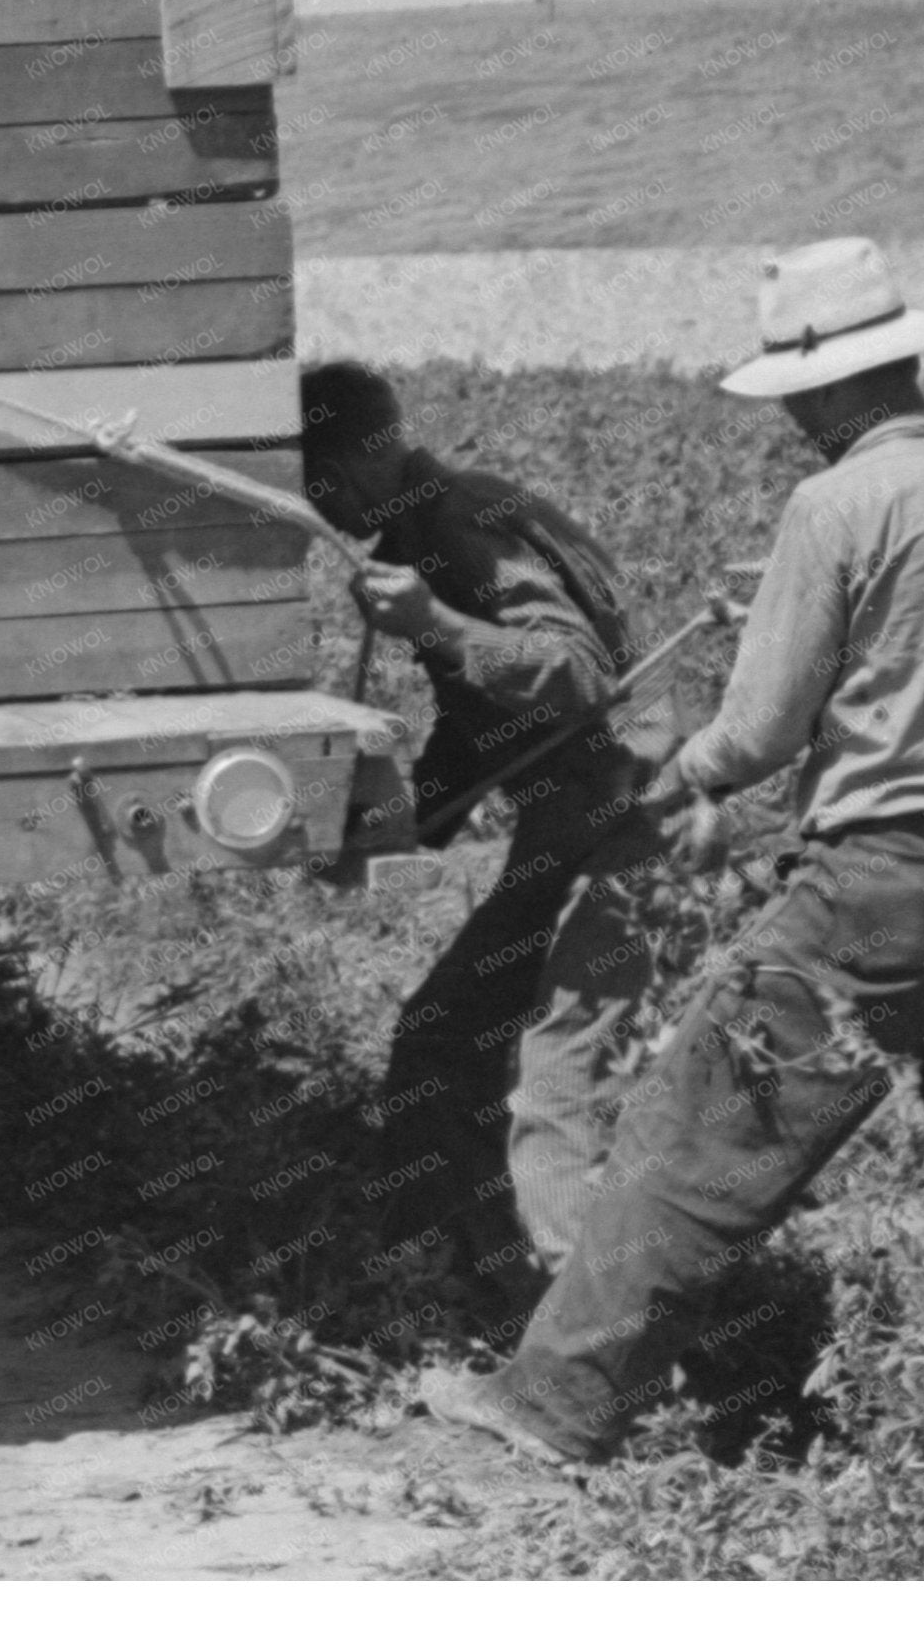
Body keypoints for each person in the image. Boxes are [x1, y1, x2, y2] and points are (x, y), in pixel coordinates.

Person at [426, 240, 924, 1529]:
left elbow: (767, 725)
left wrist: (691, 775)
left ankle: (552, 1403)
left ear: (823, 389)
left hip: (880, 889)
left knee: (698, 1129)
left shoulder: (835, 505)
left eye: (791, 396)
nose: (788, 419)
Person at [301, 357, 655, 1286]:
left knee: (534, 1070)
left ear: (355, 462)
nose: (319, 508)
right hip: (578, 814)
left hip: (617, 813)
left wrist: (436, 624)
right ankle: (472, 1272)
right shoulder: (440, 516)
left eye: (318, 482)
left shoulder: (456, 526)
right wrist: (403, 834)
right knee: (459, 1039)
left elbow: (578, 677)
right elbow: (474, 722)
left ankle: (534, 1310)